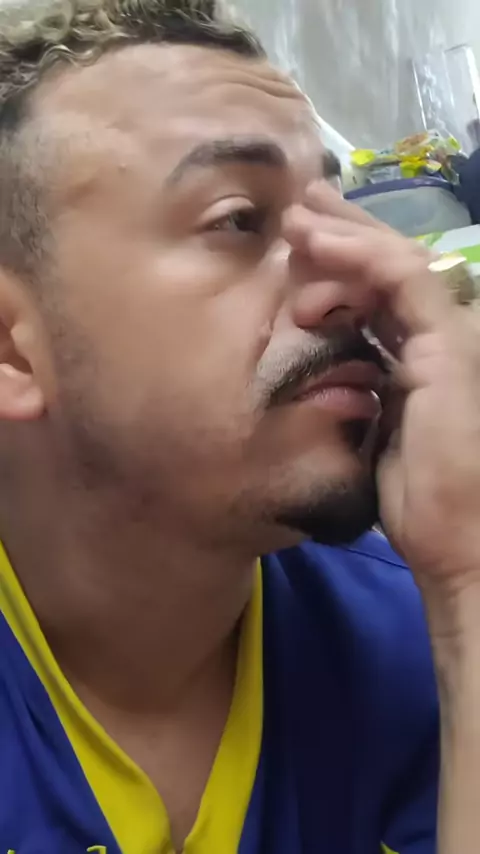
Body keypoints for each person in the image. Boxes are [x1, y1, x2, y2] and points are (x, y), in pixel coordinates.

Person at [1, 1, 480, 852]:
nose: (356, 284)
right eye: (238, 220)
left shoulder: (425, 633)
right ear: (12, 347)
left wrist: (470, 583)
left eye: (337, 215)